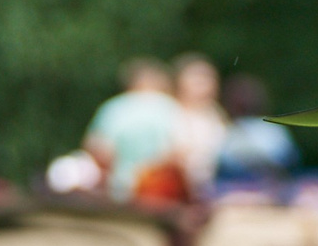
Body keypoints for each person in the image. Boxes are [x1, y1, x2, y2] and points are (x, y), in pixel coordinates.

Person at [83, 57, 186, 200]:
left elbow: (98, 149)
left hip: (118, 186)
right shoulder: (169, 106)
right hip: (158, 191)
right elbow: (179, 150)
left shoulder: (113, 107)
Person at [215, 73, 299, 183]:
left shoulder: (272, 128)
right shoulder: (222, 128)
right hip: (232, 183)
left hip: (271, 183)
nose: (243, 99)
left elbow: (286, 159)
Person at [171, 53, 229, 194]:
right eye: (197, 81)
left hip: (213, 184)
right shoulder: (171, 112)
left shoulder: (216, 113)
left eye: (208, 79)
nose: (205, 85)